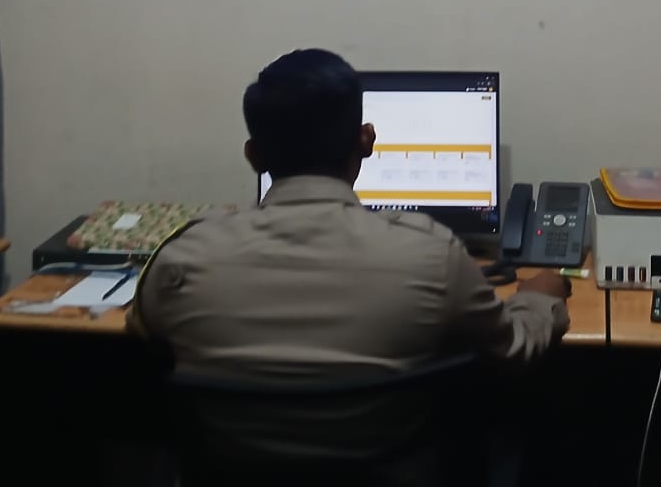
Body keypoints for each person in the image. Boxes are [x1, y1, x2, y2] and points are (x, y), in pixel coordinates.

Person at [130, 49, 570, 459]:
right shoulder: (432, 255)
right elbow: (512, 351)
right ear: (366, 140)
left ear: (254, 156)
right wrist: (539, 297)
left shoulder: (182, 258)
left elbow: (142, 335)